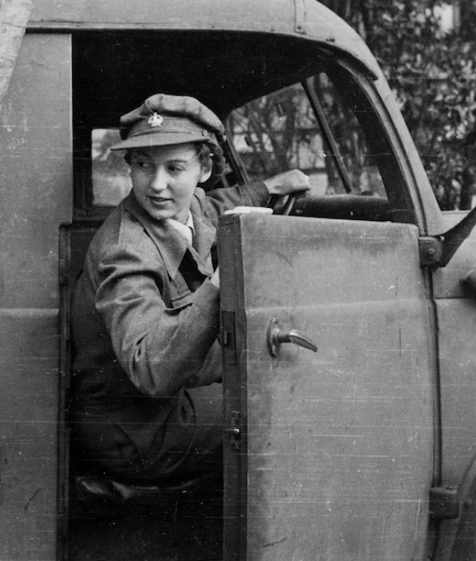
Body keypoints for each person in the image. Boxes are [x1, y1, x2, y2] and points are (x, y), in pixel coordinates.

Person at [70, 93, 309, 482]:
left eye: (174, 168)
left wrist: (269, 186)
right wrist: (220, 283)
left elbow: (213, 204)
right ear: (130, 168)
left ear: (204, 168)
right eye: (144, 166)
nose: (158, 185)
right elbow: (151, 371)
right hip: (134, 431)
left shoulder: (188, 204)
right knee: (287, 402)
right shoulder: (125, 251)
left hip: (162, 408)